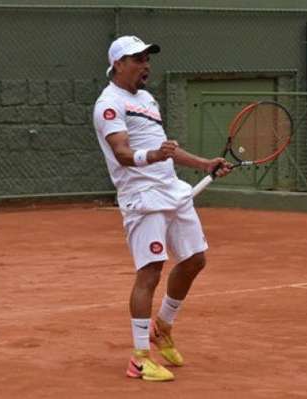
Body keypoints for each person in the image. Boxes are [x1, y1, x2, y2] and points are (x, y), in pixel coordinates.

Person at [92, 35, 231, 382]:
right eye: (138, 59)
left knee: (195, 259)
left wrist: (203, 164)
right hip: (142, 196)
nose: (146, 65)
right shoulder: (109, 104)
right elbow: (124, 154)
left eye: (147, 59)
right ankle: (139, 358)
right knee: (151, 270)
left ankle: (164, 325)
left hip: (172, 190)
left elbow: (164, 147)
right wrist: (152, 157)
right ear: (118, 65)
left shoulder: (148, 100)